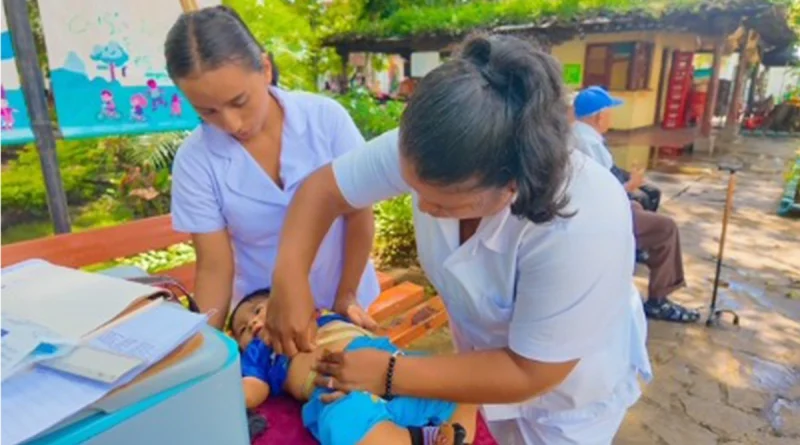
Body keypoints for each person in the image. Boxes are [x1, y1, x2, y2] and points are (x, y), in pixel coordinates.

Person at [264, 34, 652, 444]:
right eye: (416, 190)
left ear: (511, 187)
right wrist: (289, 279)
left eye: (446, 204)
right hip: (484, 366)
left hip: (567, 402)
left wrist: (388, 372)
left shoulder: (583, 223)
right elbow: (322, 191)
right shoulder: (437, 149)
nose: (426, 209)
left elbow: (532, 371)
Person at [164, 5, 380, 329]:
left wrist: (346, 296)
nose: (231, 123)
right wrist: (207, 349)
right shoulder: (196, 160)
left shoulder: (325, 119)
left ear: (264, 68)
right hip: (264, 313)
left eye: (239, 102)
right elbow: (214, 267)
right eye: (207, 111)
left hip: (344, 295)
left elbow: (359, 213)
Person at [230, 289, 476, 445]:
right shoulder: (261, 352)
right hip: (340, 389)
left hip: (392, 364)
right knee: (343, 421)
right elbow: (252, 391)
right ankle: (418, 439)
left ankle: (457, 434)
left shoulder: (317, 317)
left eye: (258, 310)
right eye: (243, 330)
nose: (252, 323)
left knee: (455, 382)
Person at [571, 87, 700, 323]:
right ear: (600, 116)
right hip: (595, 217)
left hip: (588, 210)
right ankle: (658, 300)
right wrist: (632, 184)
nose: (611, 117)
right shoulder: (589, 144)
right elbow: (603, 194)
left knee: (641, 205)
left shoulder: (576, 136)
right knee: (666, 227)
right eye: (609, 112)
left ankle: (638, 251)